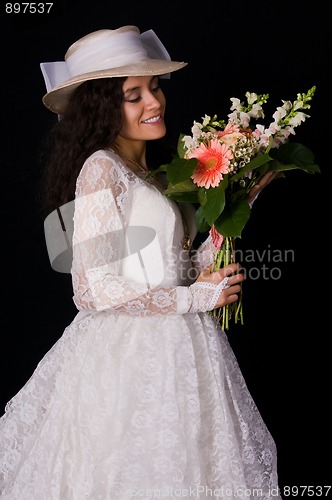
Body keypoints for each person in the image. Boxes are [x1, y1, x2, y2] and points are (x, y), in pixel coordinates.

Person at [0, 25, 280, 499]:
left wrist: (238, 205)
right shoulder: (101, 169)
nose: (154, 102)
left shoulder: (157, 170)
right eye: (134, 95)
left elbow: (178, 267)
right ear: (102, 107)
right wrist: (195, 298)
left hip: (185, 346)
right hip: (128, 355)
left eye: (154, 87)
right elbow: (92, 288)